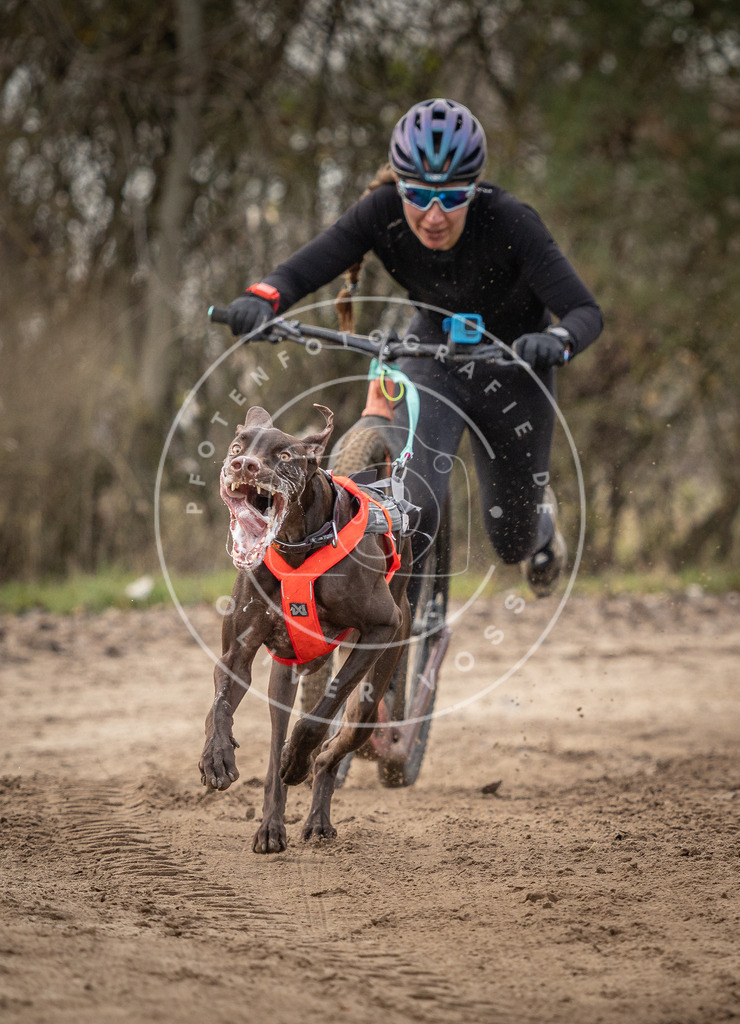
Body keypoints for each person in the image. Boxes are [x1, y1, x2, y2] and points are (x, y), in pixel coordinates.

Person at [221, 97, 603, 604]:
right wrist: (262, 299)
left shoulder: (511, 221)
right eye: (418, 195)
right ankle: (397, 624)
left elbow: (583, 311)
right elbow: (309, 266)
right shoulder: (381, 211)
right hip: (432, 356)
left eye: (452, 197)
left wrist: (556, 340)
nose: (434, 215)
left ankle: (540, 520)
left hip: (512, 364)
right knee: (413, 504)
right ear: (399, 185)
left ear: (474, 189)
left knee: (512, 540)